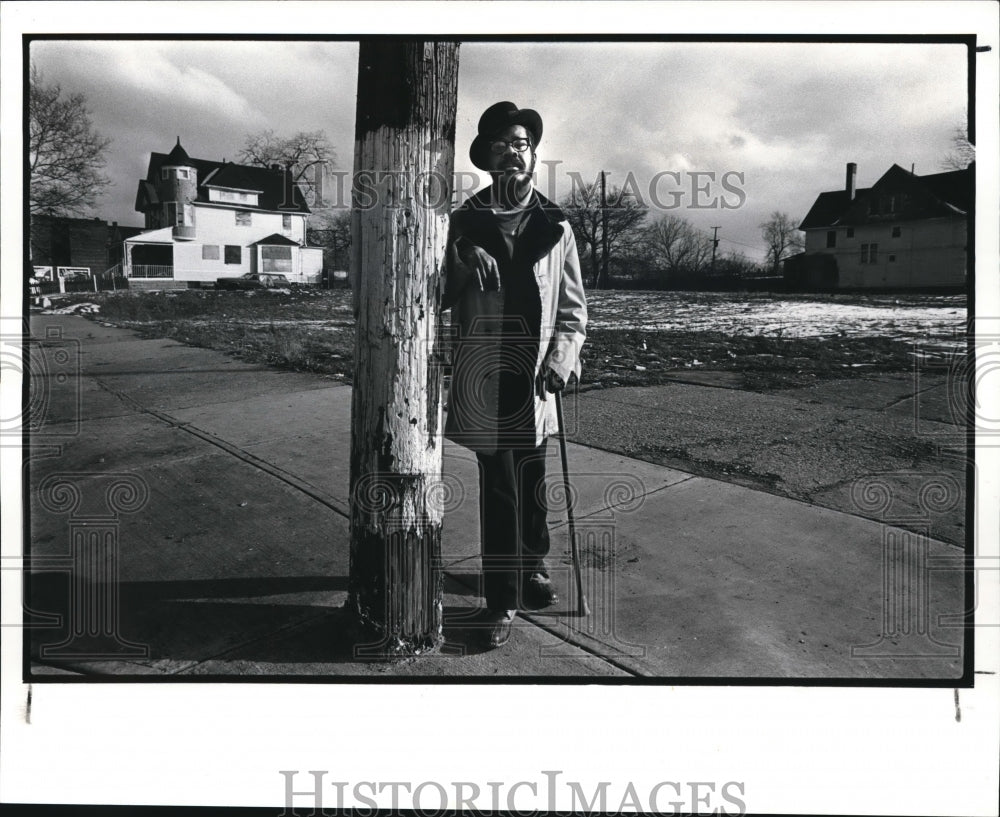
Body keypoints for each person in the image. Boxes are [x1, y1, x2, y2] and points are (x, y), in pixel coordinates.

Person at [442, 101, 588, 648]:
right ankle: (501, 600)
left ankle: (533, 567)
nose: (515, 152)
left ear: (533, 156)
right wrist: (461, 256)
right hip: (487, 372)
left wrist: (561, 358)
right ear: (487, 157)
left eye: (523, 143)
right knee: (500, 487)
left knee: (531, 482)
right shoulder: (461, 223)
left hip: (536, 378)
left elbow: (573, 308)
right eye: (503, 143)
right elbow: (435, 297)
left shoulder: (558, 224)